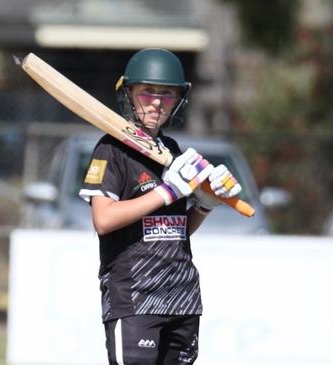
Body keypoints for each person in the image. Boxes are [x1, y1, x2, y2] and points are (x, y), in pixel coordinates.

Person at [78, 48, 242, 365]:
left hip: (182, 297)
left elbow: (177, 230)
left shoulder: (173, 151)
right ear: (129, 93)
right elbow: (104, 220)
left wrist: (205, 204)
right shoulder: (111, 149)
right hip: (135, 297)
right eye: (147, 92)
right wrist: (168, 191)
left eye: (166, 94)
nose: (156, 102)